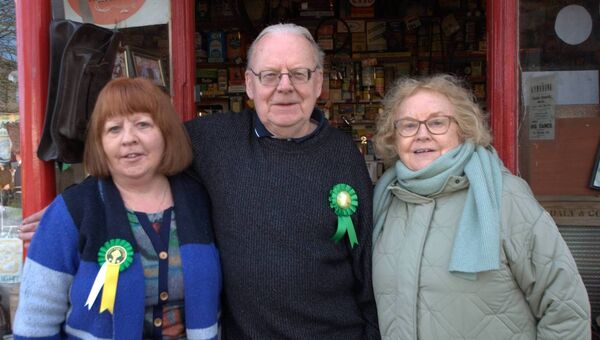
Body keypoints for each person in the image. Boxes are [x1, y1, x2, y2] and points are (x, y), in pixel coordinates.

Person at [19, 24, 379, 339]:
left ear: (318, 81)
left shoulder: (343, 155)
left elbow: (368, 267)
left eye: (299, 73)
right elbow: (138, 157)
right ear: (249, 84)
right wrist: (75, 210)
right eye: (269, 75)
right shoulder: (210, 140)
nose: (284, 87)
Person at [371, 74, 591, 339]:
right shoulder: (388, 200)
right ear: (393, 138)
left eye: (437, 123)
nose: (422, 135)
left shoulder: (505, 195)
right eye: (408, 125)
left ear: (463, 130)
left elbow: (565, 309)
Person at [14, 78, 221, 339]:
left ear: (166, 133)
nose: (128, 139)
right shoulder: (73, 210)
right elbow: (35, 321)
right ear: (100, 143)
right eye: (113, 129)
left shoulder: (200, 199)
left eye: (143, 124)